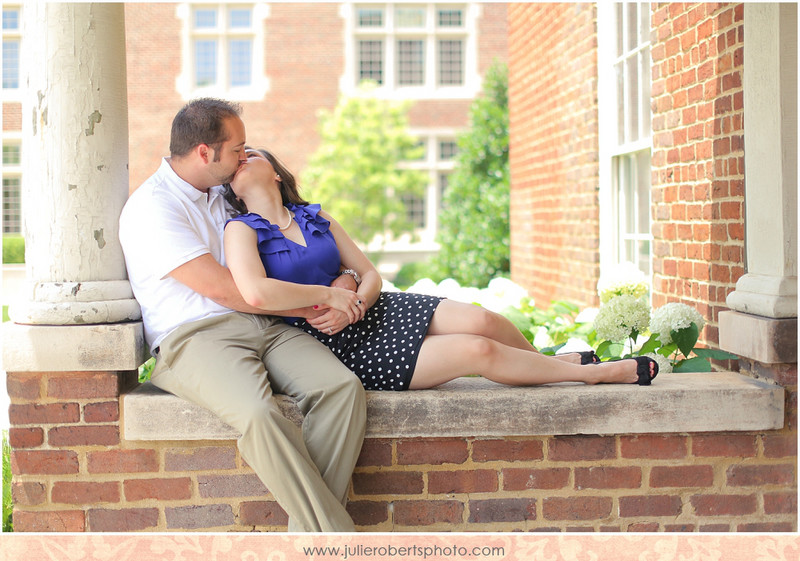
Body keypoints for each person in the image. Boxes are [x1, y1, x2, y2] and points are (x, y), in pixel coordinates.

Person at [118, 98, 367, 532]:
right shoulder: (151, 208)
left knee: (341, 388)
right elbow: (227, 291)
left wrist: (345, 277)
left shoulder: (225, 194)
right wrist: (321, 302)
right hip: (195, 338)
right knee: (258, 413)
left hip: (266, 324)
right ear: (203, 152)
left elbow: (298, 244)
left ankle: (309, 536)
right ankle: (337, 540)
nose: (244, 157)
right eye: (237, 148)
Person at [221, 148, 659, 391]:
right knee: (476, 351)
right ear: (234, 191)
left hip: (372, 310)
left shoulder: (318, 218)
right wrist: (330, 300)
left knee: (483, 320)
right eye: (235, 161)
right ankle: (590, 374)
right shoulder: (240, 230)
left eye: (251, 154)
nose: (242, 158)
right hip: (328, 342)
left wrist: (353, 298)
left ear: (276, 174)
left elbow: (370, 274)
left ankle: (545, 363)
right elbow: (257, 292)